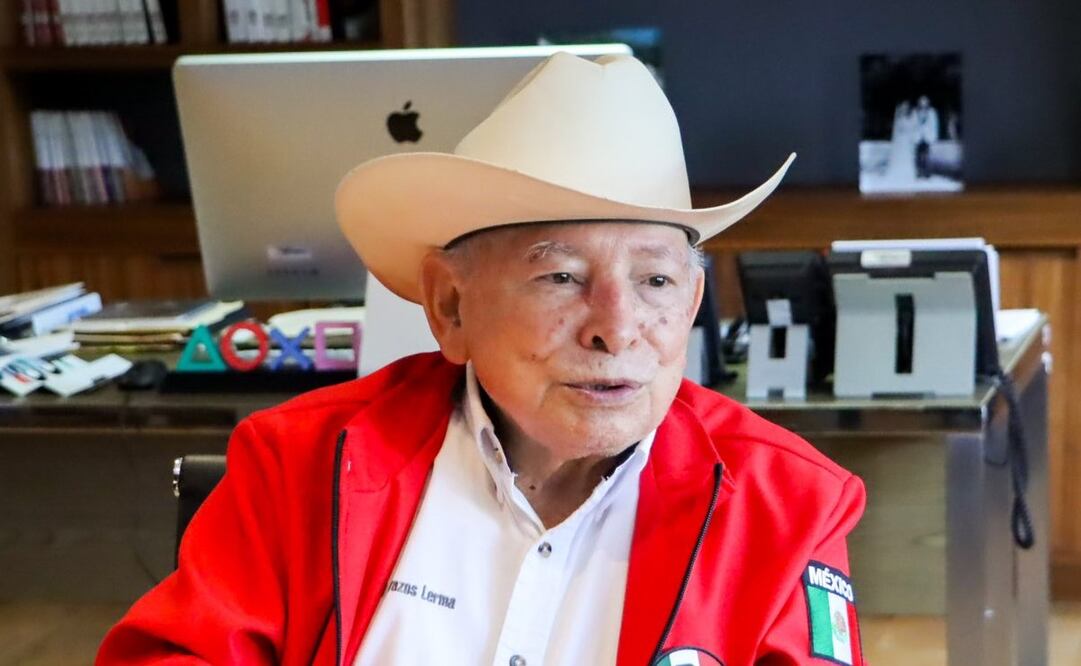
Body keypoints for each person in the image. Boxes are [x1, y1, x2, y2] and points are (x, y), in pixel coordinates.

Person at [97, 52, 866, 666]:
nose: (618, 328)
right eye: (560, 276)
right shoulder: (300, 462)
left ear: (691, 304)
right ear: (450, 307)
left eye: (655, 280)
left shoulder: (787, 505)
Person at [914, 95, 939, 179]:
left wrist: (933, 136)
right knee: (918, 155)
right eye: (921, 104)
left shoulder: (932, 112)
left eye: (925, 104)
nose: (923, 105)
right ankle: (919, 172)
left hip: (927, 136)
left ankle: (927, 172)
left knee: (926, 155)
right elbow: (914, 124)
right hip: (918, 136)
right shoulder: (916, 112)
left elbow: (934, 125)